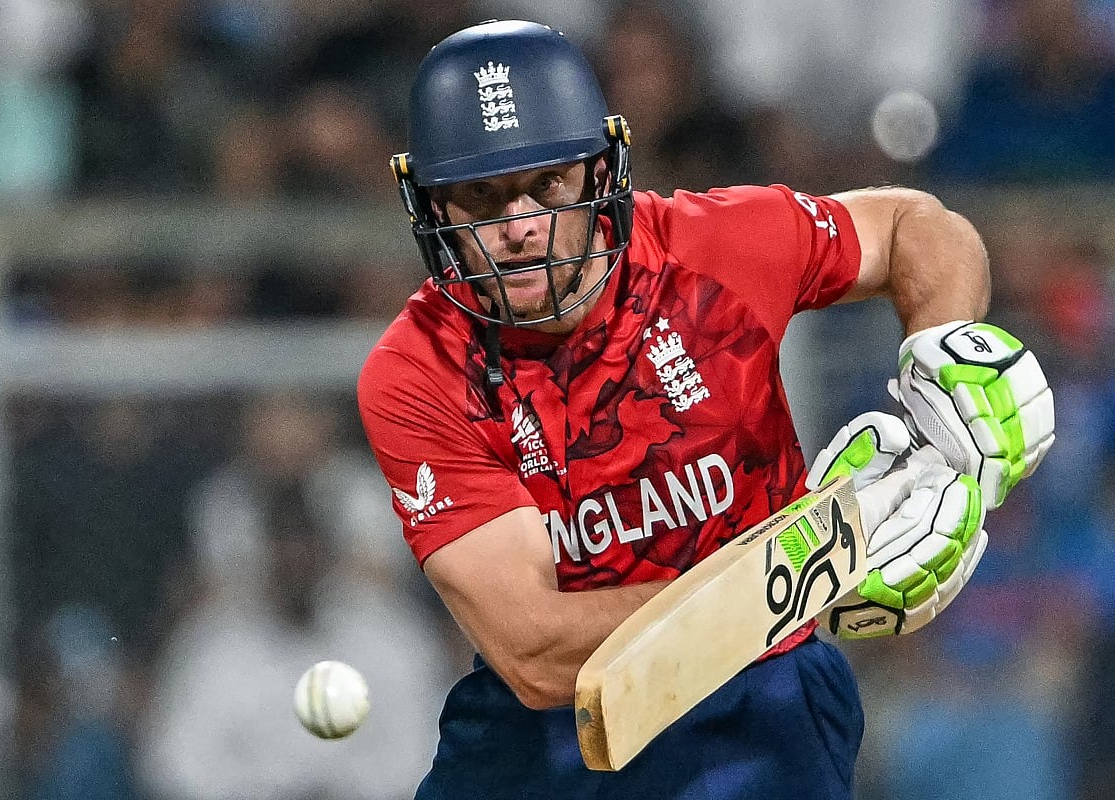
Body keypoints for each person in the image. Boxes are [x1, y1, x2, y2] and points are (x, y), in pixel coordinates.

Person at [356, 19, 1056, 799]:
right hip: (548, 727)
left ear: (597, 173)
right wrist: (799, 572)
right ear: (433, 207)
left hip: (757, 710)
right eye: (479, 196)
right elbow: (536, 652)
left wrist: (943, 363)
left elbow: (918, 227)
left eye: (546, 184)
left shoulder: (711, 246)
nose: (518, 228)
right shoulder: (417, 369)